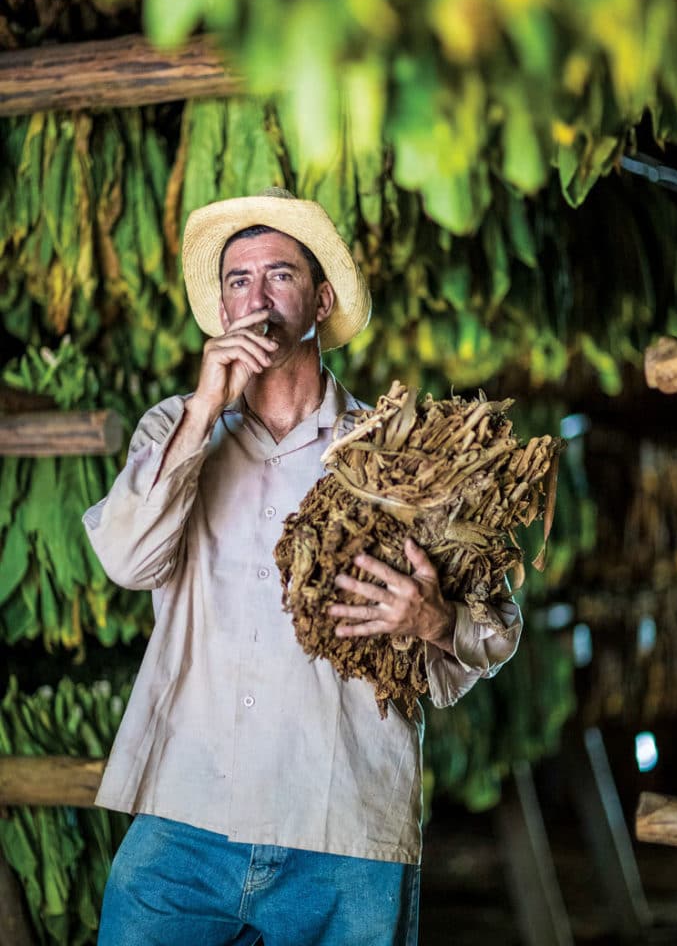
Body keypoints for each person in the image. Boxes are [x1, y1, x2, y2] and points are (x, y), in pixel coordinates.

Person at [83, 188, 522, 946]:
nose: (256, 298)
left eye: (279, 276)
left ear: (319, 301)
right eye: (237, 280)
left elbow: (498, 627)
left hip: (341, 823)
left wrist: (434, 620)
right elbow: (126, 559)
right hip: (184, 816)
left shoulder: (397, 453)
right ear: (221, 310)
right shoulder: (174, 427)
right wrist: (203, 406)